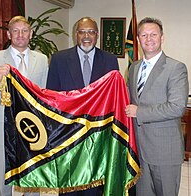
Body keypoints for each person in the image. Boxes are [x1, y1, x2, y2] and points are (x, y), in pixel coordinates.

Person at [0, 16, 49, 196]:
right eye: (15, 30)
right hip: (3, 131)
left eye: (24, 30)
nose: (20, 35)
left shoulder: (42, 59)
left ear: (31, 34)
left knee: (33, 182)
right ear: (9, 34)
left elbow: (44, 94)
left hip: (32, 131)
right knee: (3, 184)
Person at [46, 17, 119, 195]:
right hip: (68, 135)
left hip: (97, 135)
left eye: (91, 32)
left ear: (97, 35)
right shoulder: (59, 59)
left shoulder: (110, 60)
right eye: (82, 32)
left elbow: (113, 98)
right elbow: (52, 97)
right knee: (69, 184)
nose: (86, 36)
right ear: (75, 34)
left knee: (94, 186)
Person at [125, 17, 189, 196]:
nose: (148, 39)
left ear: (162, 37)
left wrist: (140, 112)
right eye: (143, 35)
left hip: (164, 152)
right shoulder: (134, 68)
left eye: (153, 34)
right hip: (139, 150)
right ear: (138, 38)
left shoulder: (176, 68)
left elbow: (177, 107)